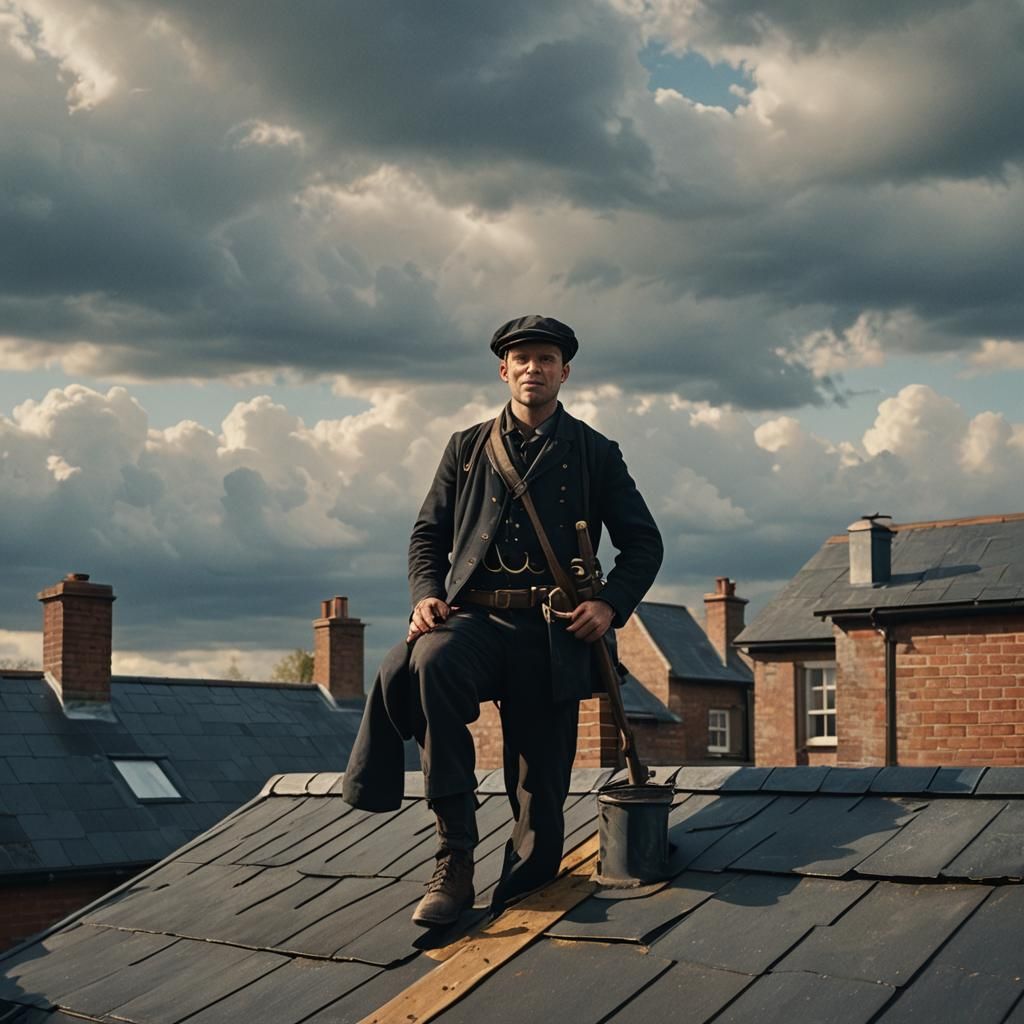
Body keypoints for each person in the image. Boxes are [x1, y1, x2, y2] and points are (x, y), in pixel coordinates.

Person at [342, 314, 662, 927]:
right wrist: (426, 594)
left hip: (554, 633)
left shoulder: (596, 452)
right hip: (477, 623)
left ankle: (523, 898)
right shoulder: (465, 448)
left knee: (540, 790)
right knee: (429, 659)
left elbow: (644, 546)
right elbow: (426, 535)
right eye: (522, 360)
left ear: (564, 372)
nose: (533, 369)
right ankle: (454, 856)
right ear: (504, 370)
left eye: (546, 359)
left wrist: (610, 603)